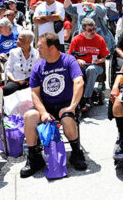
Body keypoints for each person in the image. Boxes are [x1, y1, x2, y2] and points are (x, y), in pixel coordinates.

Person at [21, 32, 87, 178]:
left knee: (67, 118)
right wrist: (43, 112)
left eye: (40, 47)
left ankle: (76, 153)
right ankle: (34, 158)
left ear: (52, 48)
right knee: (29, 116)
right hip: (46, 105)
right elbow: (34, 93)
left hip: (66, 104)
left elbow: (79, 82)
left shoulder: (68, 61)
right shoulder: (38, 67)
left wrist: (72, 106)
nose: (37, 50)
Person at [69, 18, 110, 112]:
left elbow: (105, 57)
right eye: (90, 30)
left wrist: (99, 60)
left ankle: (88, 98)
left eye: (94, 29)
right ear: (83, 30)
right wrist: (78, 60)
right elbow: (70, 57)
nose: (93, 32)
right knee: (75, 70)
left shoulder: (99, 39)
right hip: (81, 65)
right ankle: (74, 96)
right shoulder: (76, 39)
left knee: (90, 70)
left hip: (96, 66)